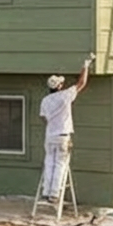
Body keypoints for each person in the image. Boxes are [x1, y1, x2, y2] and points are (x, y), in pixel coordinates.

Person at [39, 54, 95, 201]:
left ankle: (46, 191)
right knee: (60, 164)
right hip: (63, 136)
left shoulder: (45, 101)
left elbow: (44, 118)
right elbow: (81, 83)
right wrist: (86, 65)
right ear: (59, 86)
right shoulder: (65, 96)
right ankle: (54, 194)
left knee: (49, 162)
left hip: (50, 136)